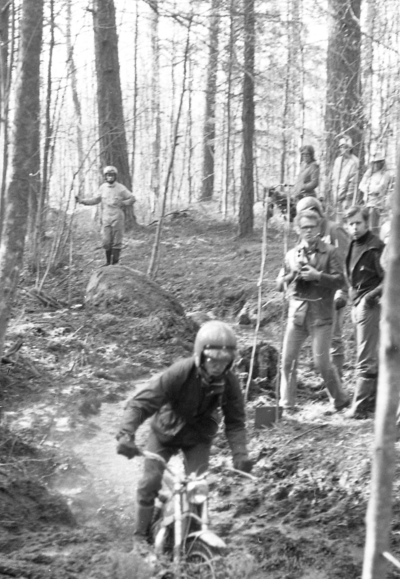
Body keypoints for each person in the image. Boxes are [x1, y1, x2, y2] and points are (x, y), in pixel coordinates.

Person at [115, 320, 253, 545]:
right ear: (200, 355)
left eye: (224, 361)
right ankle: (139, 537)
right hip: (165, 432)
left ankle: (193, 535)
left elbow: (236, 422)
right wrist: (126, 434)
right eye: (212, 360)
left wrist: (240, 454)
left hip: (198, 437)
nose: (218, 366)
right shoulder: (180, 372)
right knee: (150, 481)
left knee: (198, 488)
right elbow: (140, 404)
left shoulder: (229, 382)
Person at [276, 210, 350, 412]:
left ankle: (340, 398)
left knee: (322, 363)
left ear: (319, 229)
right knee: (287, 361)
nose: (308, 231)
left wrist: (318, 276)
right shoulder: (291, 255)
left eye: (312, 227)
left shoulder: (331, 252)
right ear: (297, 229)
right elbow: (279, 284)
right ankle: (287, 404)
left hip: (321, 314)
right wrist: (292, 275)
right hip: (297, 314)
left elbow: (341, 281)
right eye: (304, 227)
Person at [344, 205, 386, 418]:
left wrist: (370, 298)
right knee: (367, 353)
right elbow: (353, 278)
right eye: (351, 224)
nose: (354, 228)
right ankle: (373, 403)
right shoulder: (353, 245)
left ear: (367, 223)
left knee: (366, 355)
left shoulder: (376, 246)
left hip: (371, 304)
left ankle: (360, 406)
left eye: (358, 223)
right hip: (358, 302)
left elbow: (388, 279)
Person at [76, 165, 136, 266]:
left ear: (115, 176)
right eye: (108, 175)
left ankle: (115, 263)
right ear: (105, 176)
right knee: (106, 242)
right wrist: (82, 201)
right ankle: (108, 262)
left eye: (112, 175)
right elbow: (95, 199)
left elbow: (132, 198)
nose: (110, 177)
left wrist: (124, 203)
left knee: (117, 241)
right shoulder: (102, 188)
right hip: (106, 217)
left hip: (117, 217)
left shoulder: (121, 188)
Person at [325, 133, 360, 224]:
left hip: (347, 198)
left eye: (345, 147)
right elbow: (333, 178)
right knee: (338, 221)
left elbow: (353, 182)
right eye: (341, 147)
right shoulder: (338, 161)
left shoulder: (354, 161)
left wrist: (348, 197)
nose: (343, 149)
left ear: (349, 148)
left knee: (348, 220)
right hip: (337, 195)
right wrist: (334, 194)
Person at [358, 152, 393, 233]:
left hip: (377, 204)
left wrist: (369, 188)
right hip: (367, 202)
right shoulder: (369, 173)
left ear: (382, 163)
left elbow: (380, 187)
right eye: (375, 163)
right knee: (365, 225)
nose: (376, 165)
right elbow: (361, 185)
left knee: (373, 227)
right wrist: (368, 189)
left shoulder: (385, 174)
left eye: (378, 163)